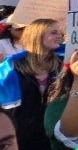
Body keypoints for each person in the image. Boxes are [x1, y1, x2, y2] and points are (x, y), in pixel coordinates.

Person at [1, 18, 63, 150]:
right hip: (21, 137)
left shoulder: (62, 64)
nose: (60, 36)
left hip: (54, 137)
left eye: (60, 32)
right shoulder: (11, 67)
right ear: (37, 35)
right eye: (54, 32)